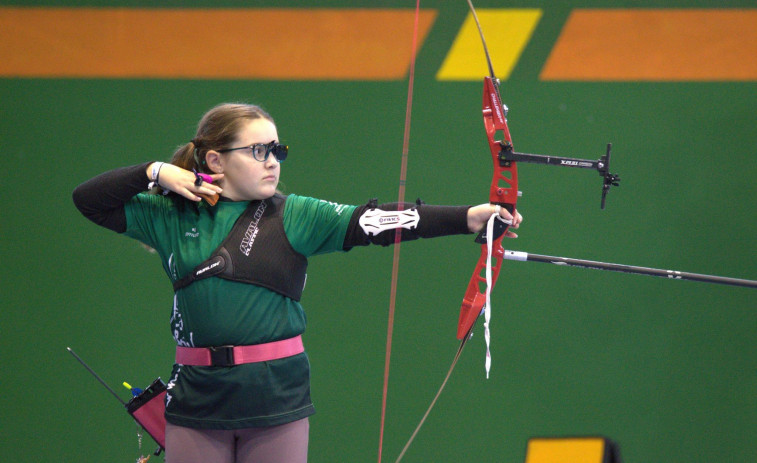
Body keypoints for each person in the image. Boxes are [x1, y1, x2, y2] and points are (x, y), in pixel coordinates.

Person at [72, 102, 522, 463]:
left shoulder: (295, 214)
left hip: (276, 394)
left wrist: (468, 218)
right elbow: (88, 201)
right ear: (214, 160)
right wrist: (153, 171)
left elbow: (374, 221)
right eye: (258, 151)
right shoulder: (171, 216)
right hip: (197, 395)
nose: (272, 163)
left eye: (277, 151)